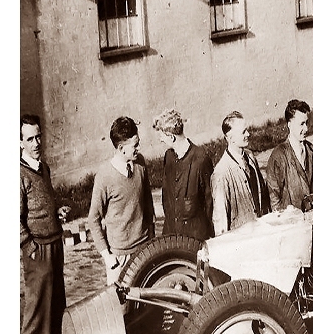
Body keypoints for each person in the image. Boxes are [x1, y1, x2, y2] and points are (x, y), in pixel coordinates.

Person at [20, 115, 69, 334]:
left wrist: (57, 212)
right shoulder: (17, 174)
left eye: (38, 137)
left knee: (56, 312)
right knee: (36, 318)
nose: (36, 144)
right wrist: (30, 246)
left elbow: (41, 205)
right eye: (30, 139)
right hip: (38, 253)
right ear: (19, 143)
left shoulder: (43, 168)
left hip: (55, 245)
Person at [88, 116, 155, 285]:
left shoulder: (140, 164)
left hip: (144, 250)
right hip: (119, 259)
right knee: (121, 308)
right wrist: (107, 256)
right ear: (121, 148)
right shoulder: (104, 177)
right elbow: (93, 219)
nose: (139, 148)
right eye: (135, 145)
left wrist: (151, 237)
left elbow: (148, 202)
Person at [153, 109, 214, 240]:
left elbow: (209, 203)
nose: (161, 140)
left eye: (162, 136)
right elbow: (167, 198)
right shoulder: (168, 157)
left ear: (171, 137)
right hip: (172, 235)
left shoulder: (201, 159)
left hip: (195, 237)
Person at [211, 111, 270, 235]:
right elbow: (220, 220)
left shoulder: (250, 157)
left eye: (247, 130)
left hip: (261, 233)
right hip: (241, 240)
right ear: (230, 137)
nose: (248, 134)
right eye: (243, 132)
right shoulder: (221, 173)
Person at [266, 100, 313, 211]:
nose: (306, 129)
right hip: (292, 223)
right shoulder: (278, 156)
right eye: (301, 124)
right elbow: (273, 198)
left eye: (307, 123)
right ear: (290, 125)